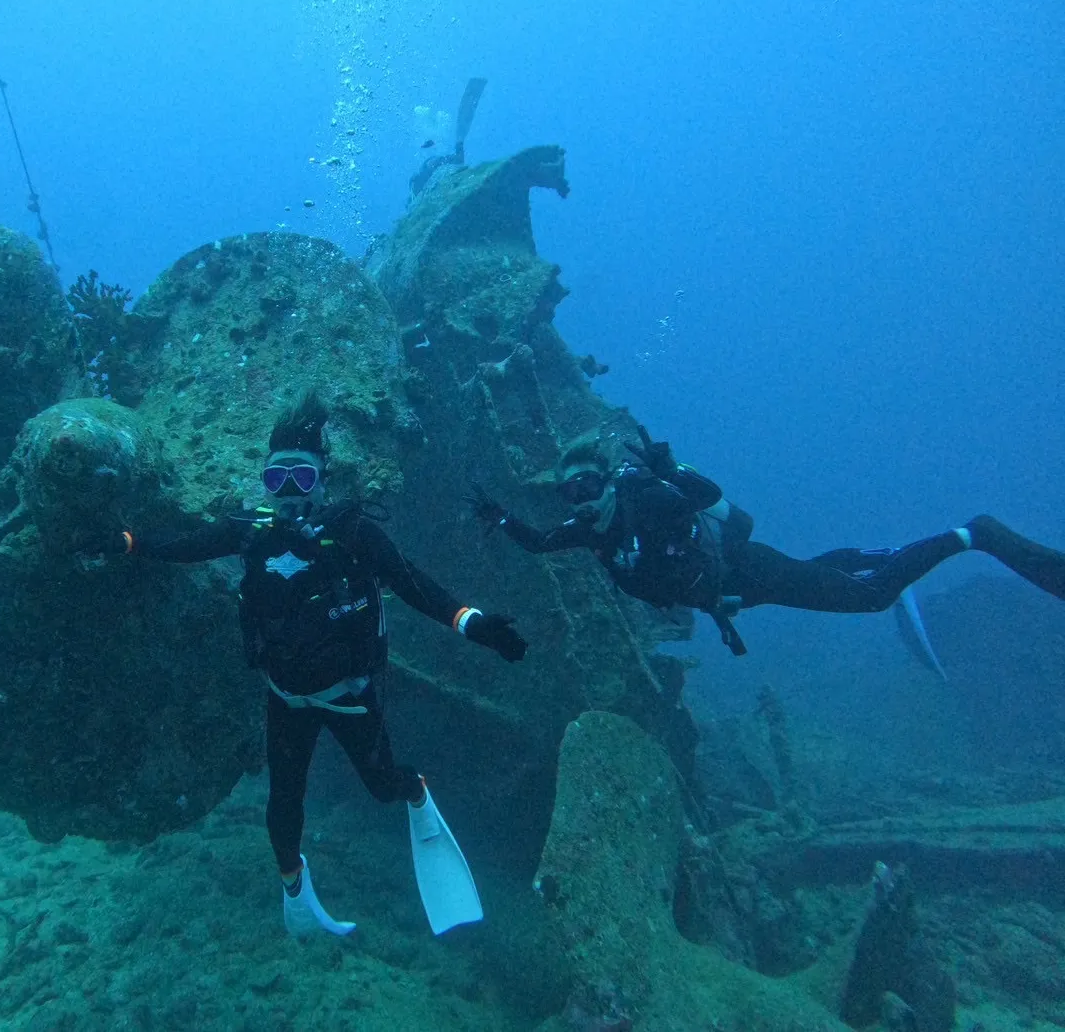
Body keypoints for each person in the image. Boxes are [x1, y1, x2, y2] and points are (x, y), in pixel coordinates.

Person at [87, 392, 527, 937]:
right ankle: (295, 889)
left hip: (351, 697)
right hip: (286, 698)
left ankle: (415, 790)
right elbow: (185, 546)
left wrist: (473, 623)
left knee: (383, 786)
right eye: (278, 479)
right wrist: (127, 541)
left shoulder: (354, 533)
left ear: (323, 481)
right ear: (265, 484)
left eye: (302, 477)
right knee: (283, 806)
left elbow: (415, 585)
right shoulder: (250, 531)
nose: (291, 491)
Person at [467, 427, 1065, 662]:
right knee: (819, 574)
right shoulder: (584, 532)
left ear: (606, 482)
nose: (581, 501)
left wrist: (669, 471)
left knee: (871, 599)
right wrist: (500, 518)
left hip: (748, 571)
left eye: (588, 487)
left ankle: (973, 535)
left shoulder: (645, 498)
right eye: (570, 493)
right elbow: (538, 543)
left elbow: (719, 505)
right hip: (736, 595)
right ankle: (874, 554)